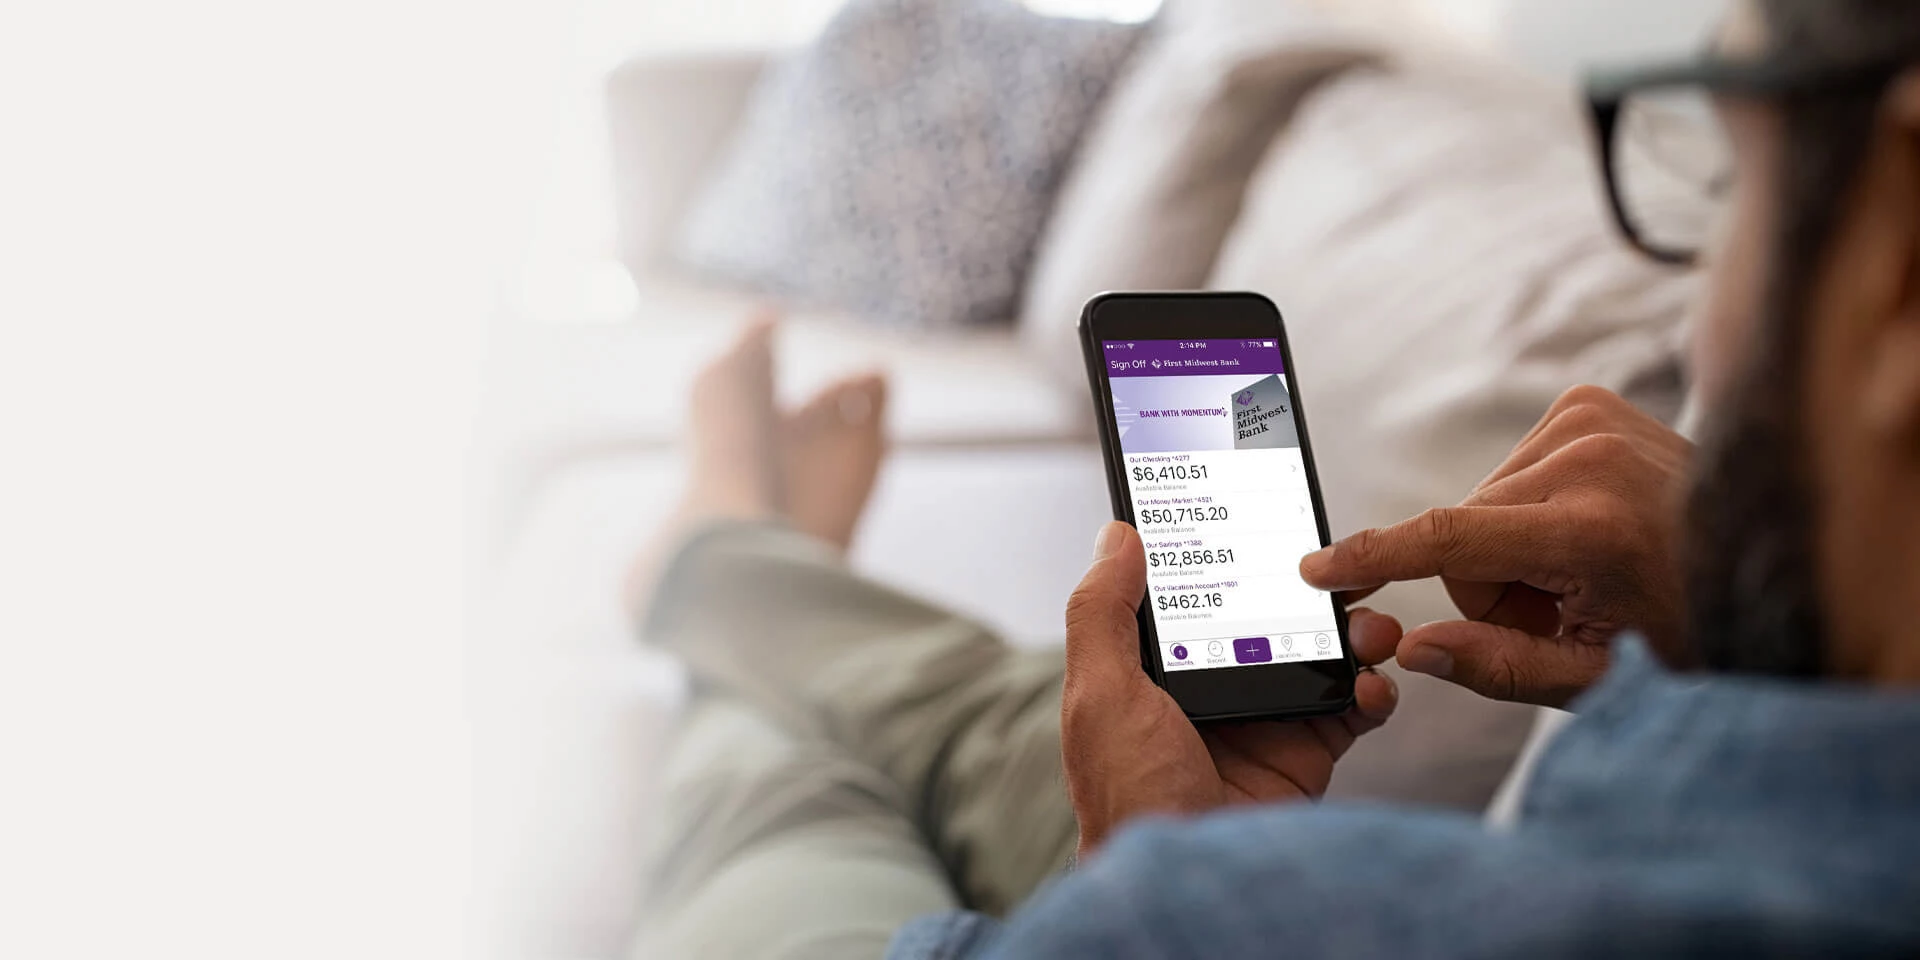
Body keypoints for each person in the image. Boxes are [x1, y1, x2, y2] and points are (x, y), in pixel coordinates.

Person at [630, 0, 1920, 956]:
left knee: (787, 792)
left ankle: (723, 548)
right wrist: (1758, 631)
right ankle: (764, 568)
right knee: (1005, 710)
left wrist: (1158, 880)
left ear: (1902, 264)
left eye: (1728, 188)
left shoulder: (1202, 917)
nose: (1696, 331)